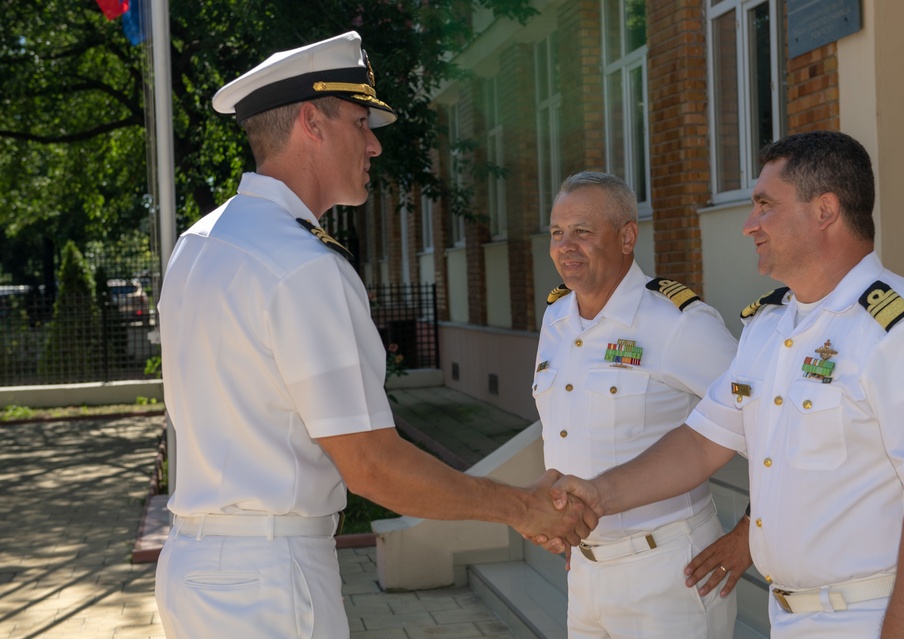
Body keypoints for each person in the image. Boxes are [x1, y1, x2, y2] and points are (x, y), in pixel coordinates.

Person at [154, 31, 594, 639]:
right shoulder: (304, 265)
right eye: (361, 123)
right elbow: (371, 466)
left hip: (193, 568)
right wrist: (522, 507)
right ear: (312, 123)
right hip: (269, 580)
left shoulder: (198, 243)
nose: (374, 144)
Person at [547, 131, 904, 638]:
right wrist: (595, 496)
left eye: (765, 205)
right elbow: (701, 444)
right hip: (790, 614)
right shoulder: (769, 328)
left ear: (825, 210)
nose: (750, 224)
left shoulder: (901, 328)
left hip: (875, 613)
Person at [535, 171, 748, 637]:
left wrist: (751, 534)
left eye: (582, 231)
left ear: (627, 237)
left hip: (668, 573)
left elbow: (771, 422)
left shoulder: (678, 323)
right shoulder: (556, 319)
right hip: (585, 571)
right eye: (557, 232)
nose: (565, 246)